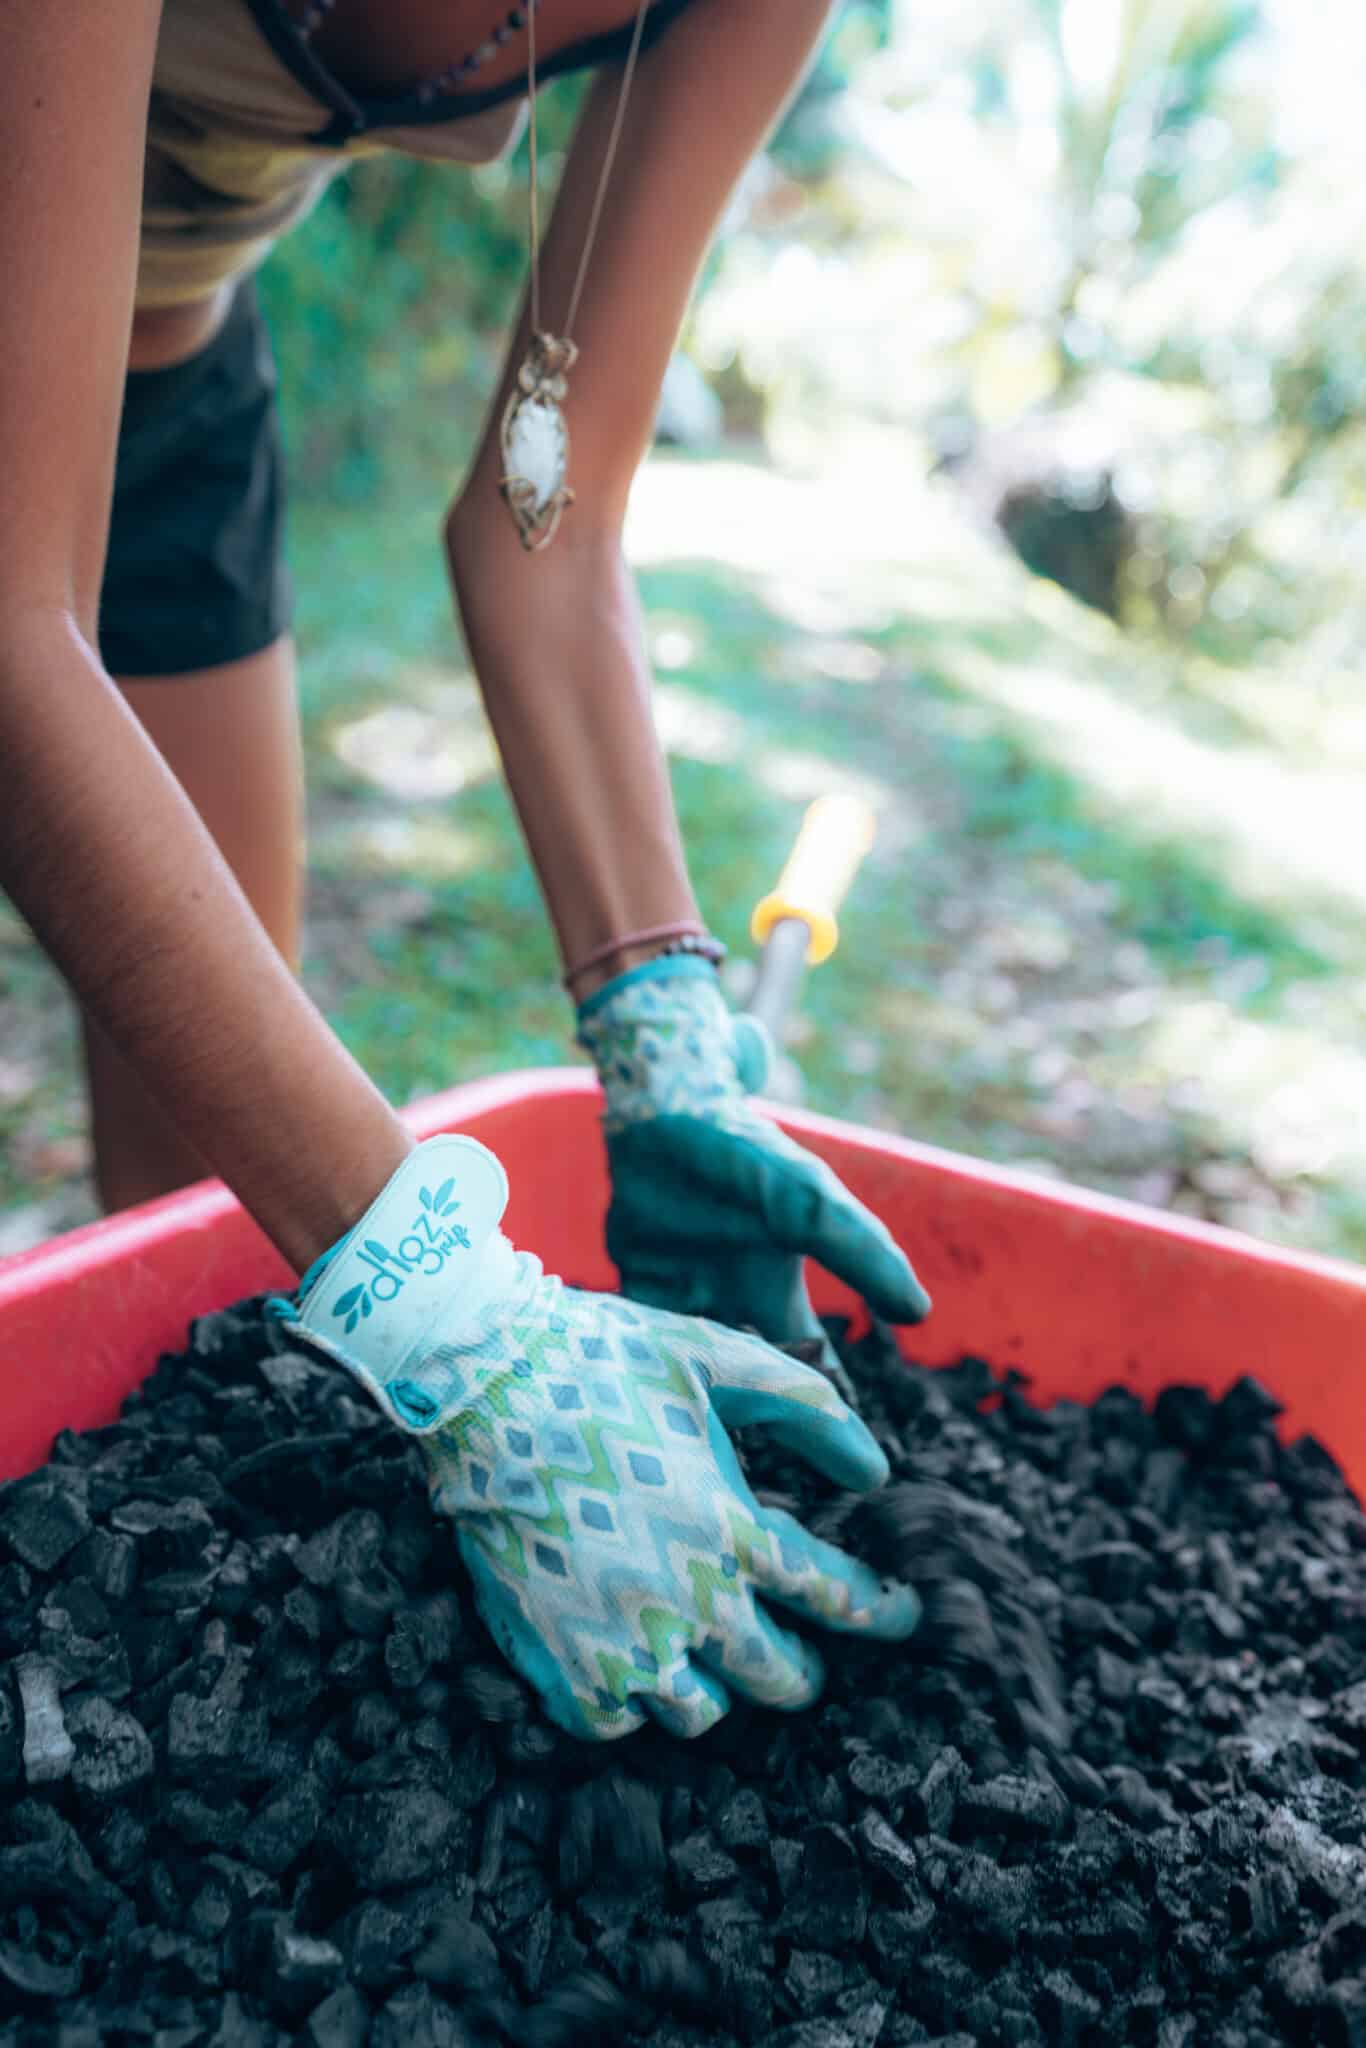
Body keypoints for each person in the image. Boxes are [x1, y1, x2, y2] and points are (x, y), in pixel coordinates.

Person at [0, 0, 931, 1740]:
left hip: (170, 385)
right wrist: (461, 1323)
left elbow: (547, 520)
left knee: (189, 1243)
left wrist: (665, 1038)